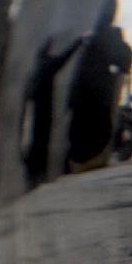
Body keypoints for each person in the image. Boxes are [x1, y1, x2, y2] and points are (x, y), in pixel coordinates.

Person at [66, 0, 132, 174]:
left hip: (78, 139)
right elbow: (127, 59)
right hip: (94, 139)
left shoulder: (89, 43)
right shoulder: (107, 38)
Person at [20, 33, 83, 188]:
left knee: (34, 149)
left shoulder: (34, 72)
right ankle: (37, 181)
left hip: (32, 120)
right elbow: (63, 58)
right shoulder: (47, 66)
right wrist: (78, 42)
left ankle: (32, 180)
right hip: (42, 117)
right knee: (41, 149)